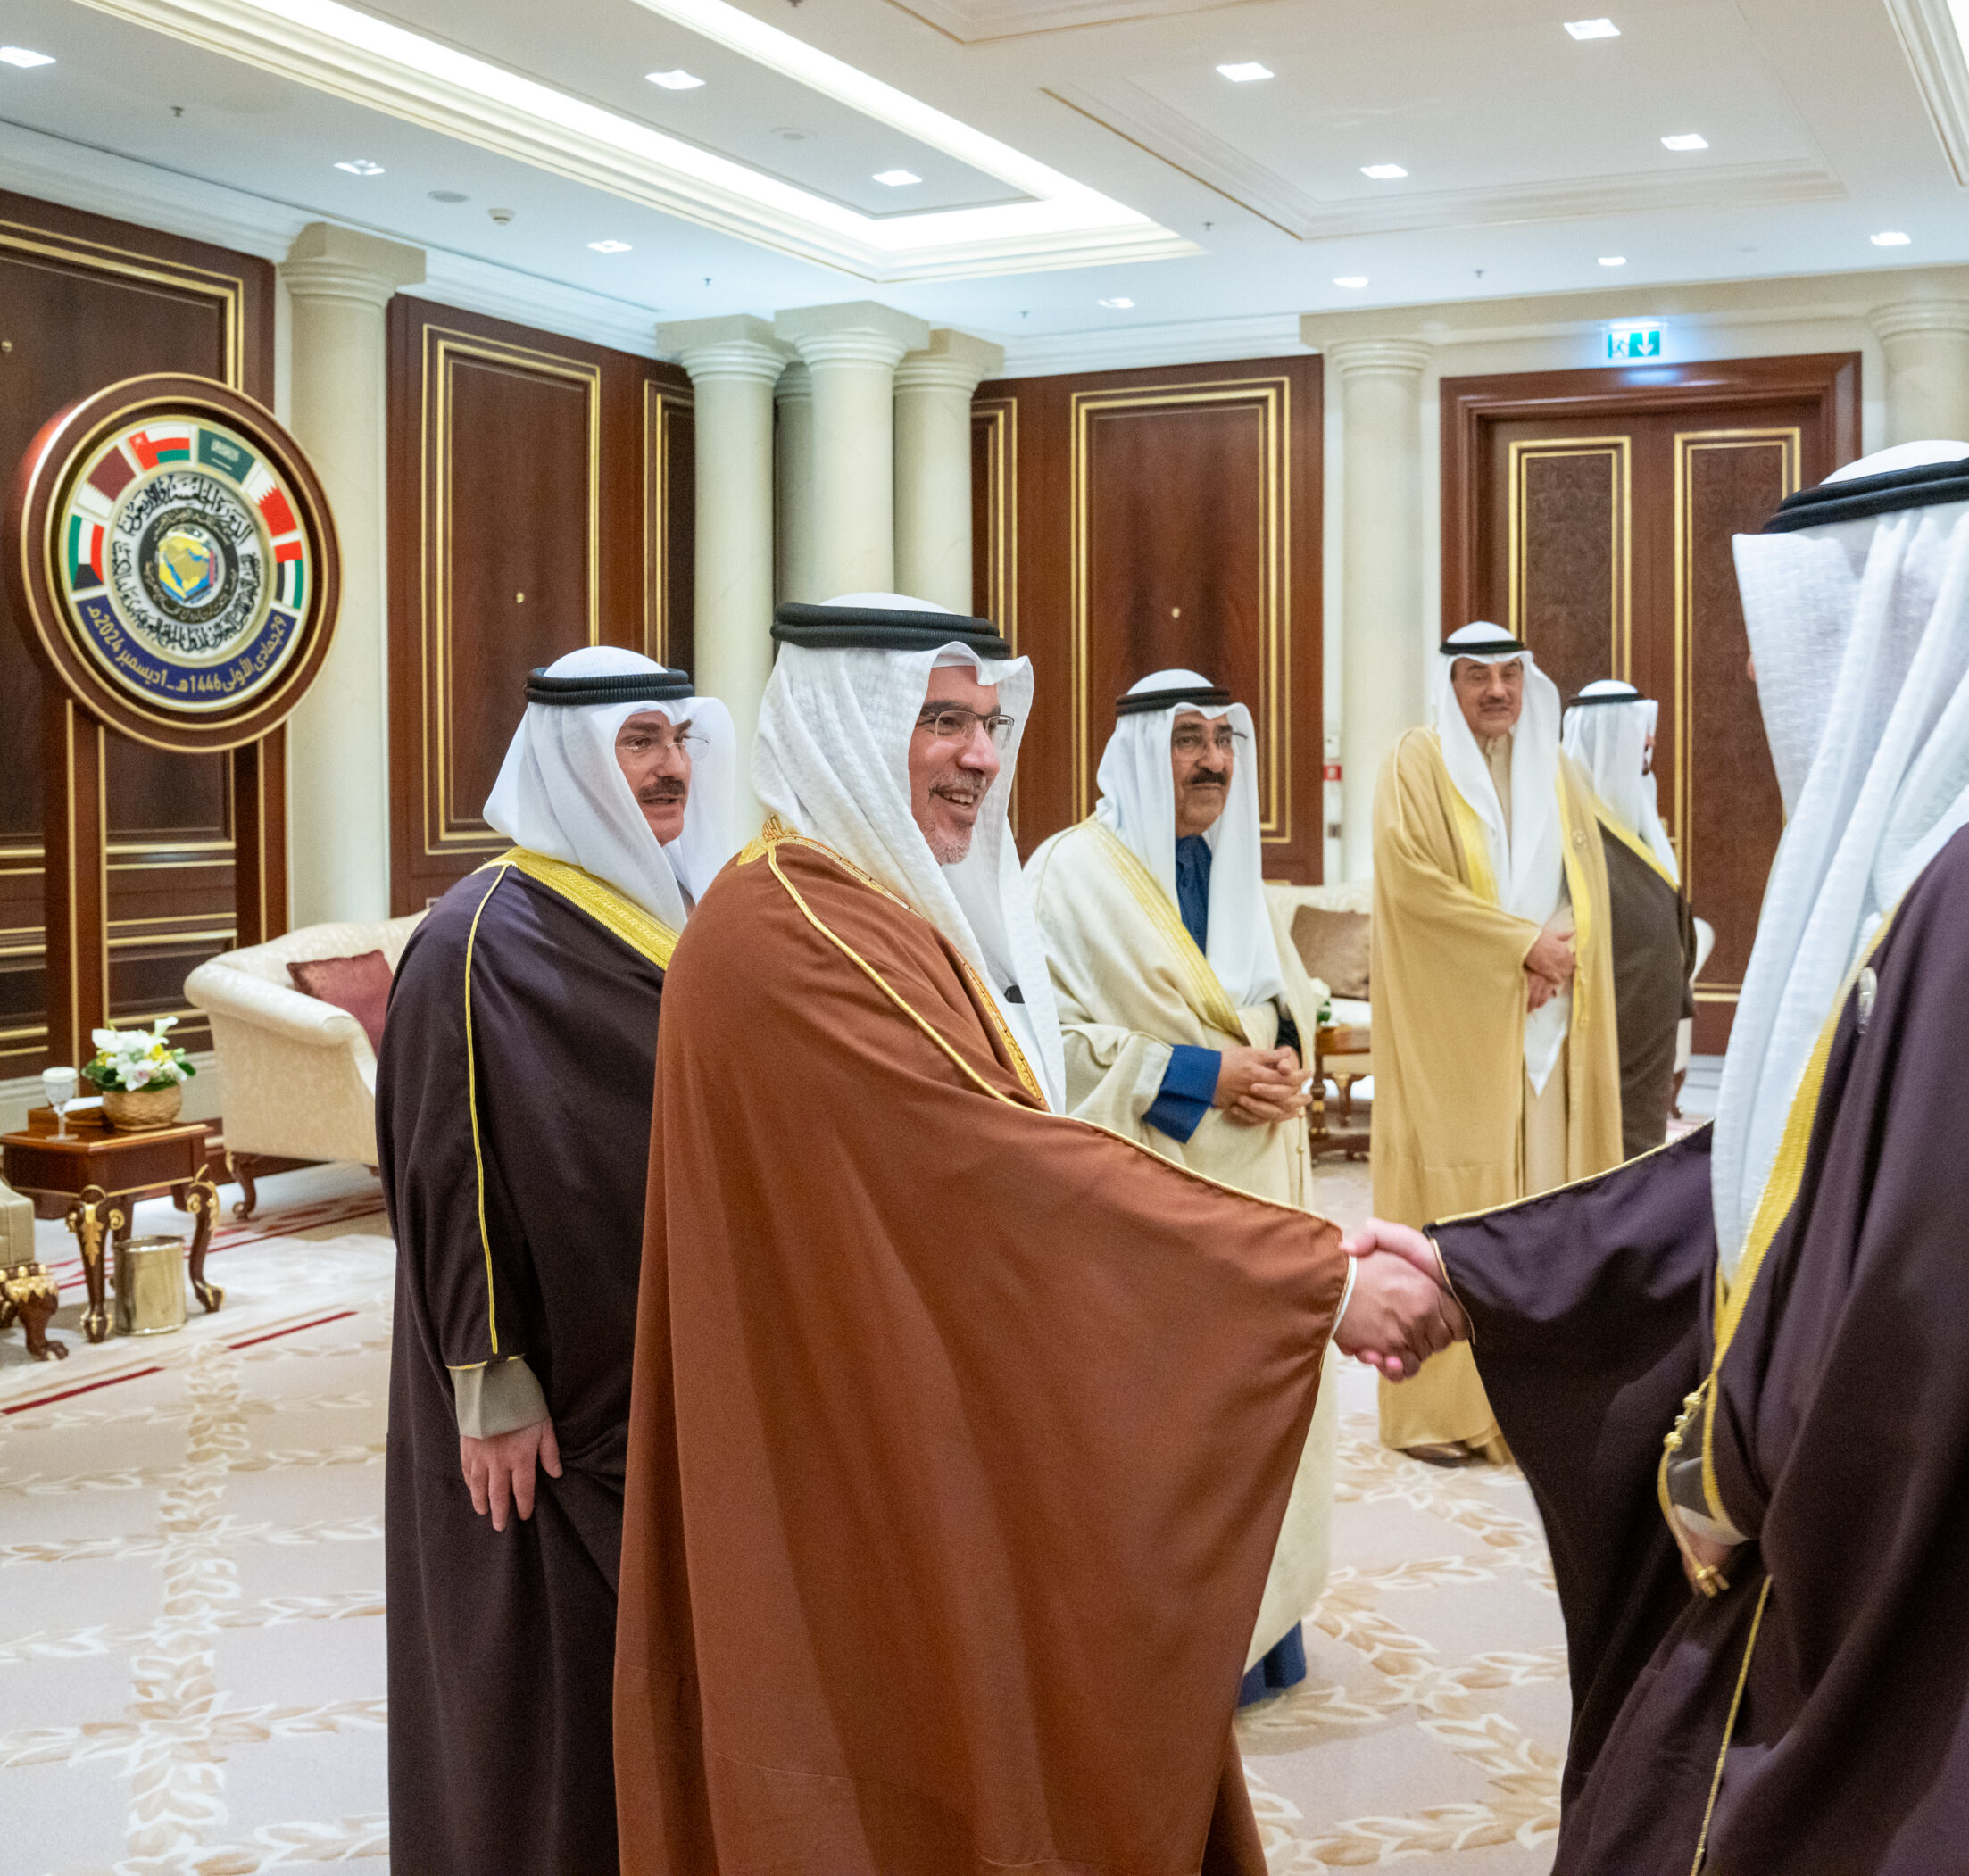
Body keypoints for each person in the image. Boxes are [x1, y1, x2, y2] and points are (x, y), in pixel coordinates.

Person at [1350, 444, 1969, 1874]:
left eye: (1805, 632)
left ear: (1910, 616)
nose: (1760, 677)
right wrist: (1480, 1265)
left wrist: (1726, 1466)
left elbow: (1913, 1301)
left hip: (1912, 1563)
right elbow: (1805, 1165)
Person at [613, 594, 1464, 1876]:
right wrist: (1315, 1277)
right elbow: (997, 1168)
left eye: (989, 723)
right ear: (850, 727)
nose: (977, 754)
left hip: (906, 1398)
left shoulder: (863, 906)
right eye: (940, 721)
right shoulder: (781, 933)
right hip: (833, 1439)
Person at [378, 646, 733, 1876]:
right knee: (543, 1678)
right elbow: (442, 1168)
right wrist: (489, 1382)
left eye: (678, 741)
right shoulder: (476, 934)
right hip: (542, 1405)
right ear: (572, 758)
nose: (670, 768)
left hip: (651, 1363)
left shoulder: (682, 906)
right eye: (638, 743)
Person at [1027, 668, 1332, 1706]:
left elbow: (1279, 1000)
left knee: (1254, 1407)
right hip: (1147, 1200)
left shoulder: (1233, 866)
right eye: (1186, 739)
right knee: (1162, 1423)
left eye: (1223, 740)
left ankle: (1261, 1637)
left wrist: (1282, 1056)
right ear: (1136, 752)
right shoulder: (1068, 878)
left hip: (1259, 1190)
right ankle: (1161, 1659)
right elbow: (1044, 1047)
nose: (1210, 762)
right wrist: (1202, 1075)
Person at [1368, 621, 1623, 1463]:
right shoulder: (1414, 765)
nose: (1496, 691)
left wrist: (1556, 949)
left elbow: (1589, 886)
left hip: (1547, 1033)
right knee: (1458, 1216)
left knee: (1546, 1206)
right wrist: (1519, 950)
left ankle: (1539, 1405)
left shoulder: (1559, 768)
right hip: (1458, 1039)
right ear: (1451, 684)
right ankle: (1441, 1410)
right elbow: (1414, 890)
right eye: (1476, 676)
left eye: (1509, 674)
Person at [1562, 679, 1696, 1156]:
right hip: (1604, 1017)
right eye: (1640, 729)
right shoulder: (1569, 823)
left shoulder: (1638, 809)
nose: (1651, 740)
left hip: (1648, 1020)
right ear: (1608, 735)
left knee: (1643, 1143)